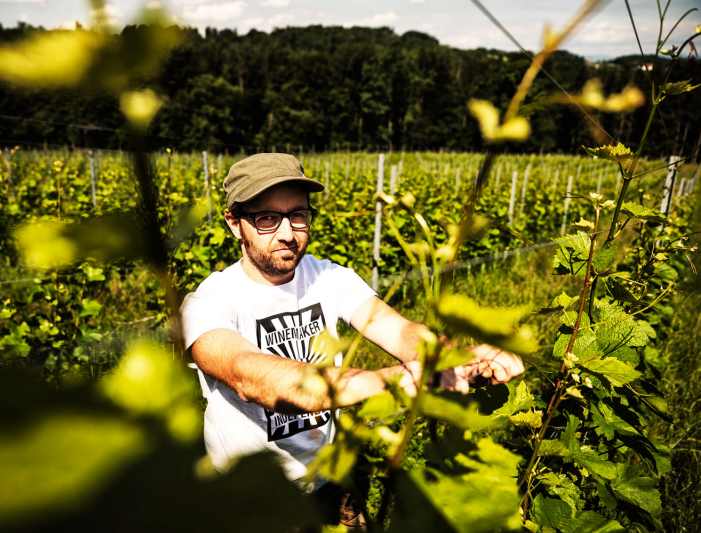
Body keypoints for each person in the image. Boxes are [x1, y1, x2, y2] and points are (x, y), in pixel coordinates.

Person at [180, 153, 524, 528]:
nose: (287, 233)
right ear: (235, 224)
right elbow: (252, 378)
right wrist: (399, 380)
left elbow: (397, 329)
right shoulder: (208, 303)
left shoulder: (327, 277)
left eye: (298, 214)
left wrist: (452, 359)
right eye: (265, 218)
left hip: (330, 480)